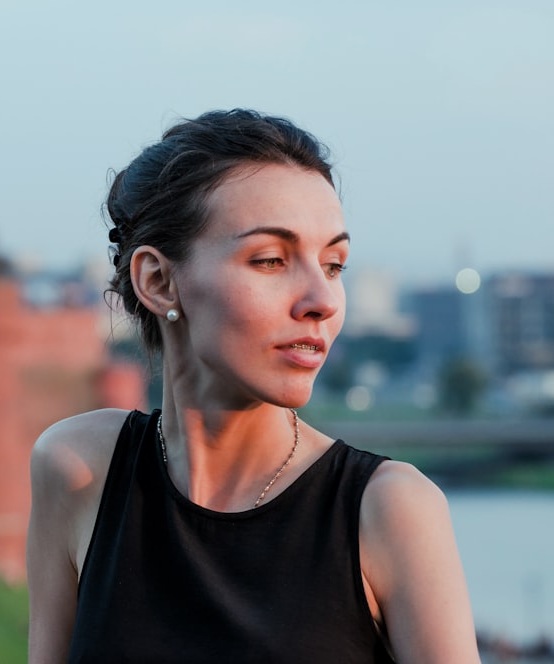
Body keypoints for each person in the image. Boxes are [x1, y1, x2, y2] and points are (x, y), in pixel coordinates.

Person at [27, 109, 480, 663]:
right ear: (158, 281)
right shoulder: (78, 470)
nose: (323, 300)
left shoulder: (389, 509)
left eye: (334, 264)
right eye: (270, 259)